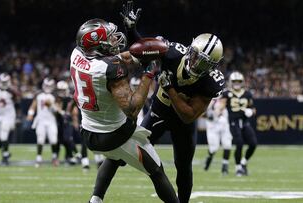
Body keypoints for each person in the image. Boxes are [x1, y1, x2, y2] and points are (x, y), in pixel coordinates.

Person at [94, 1, 226, 202]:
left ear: (213, 66)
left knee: (183, 167)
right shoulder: (171, 52)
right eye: (195, 56)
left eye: (203, 63)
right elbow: (140, 51)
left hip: (183, 123)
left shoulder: (211, 81)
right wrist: (131, 29)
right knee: (118, 151)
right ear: (190, 49)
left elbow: (188, 115)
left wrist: (170, 87)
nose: (195, 63)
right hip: (158, 112)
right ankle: (96, 198)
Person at [71, 18, 178, 202]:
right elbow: (133, 109)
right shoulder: (110, 68)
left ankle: (95, 200)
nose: (115, 41)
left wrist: (141, 53)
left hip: (89, 130)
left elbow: (115, 59)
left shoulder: (77, 55)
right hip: (115, 134)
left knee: (114, 157)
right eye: (110, 39)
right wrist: (148, 73)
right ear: (97, 45)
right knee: (156, 170)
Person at [221, 71, 257, 176]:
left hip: (245, 122)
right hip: (233, 122)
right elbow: (221, 105)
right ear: (231, 82)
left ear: (242, 82)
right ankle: (238, 168)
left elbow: (253, 109)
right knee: (239, 144)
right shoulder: (227, 93)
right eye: (234, 81)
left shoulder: (247, 94)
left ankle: (243, 163)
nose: (236, 83)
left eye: (239, 81)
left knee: (253, 144)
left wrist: (251, 112)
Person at [27, 78, 60, 167]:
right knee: (40, 140)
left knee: (53, 140)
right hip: (41, 120)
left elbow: (58, 110)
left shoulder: (55, 95)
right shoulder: (39, 95)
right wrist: (30, 114)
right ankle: (38, 158)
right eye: (46, 85)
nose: (47, 87)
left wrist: (51, 105)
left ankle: (54, 157)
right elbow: (33, 105)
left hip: (51, 120)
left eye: (49, 86)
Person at [203, 98, 232, 175]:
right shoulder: (208, 97)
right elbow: (202, 113)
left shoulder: (225, 95)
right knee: (213, 148)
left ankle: (225, 167)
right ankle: (209, 158)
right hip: (212, 125)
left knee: (227, 145)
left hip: (223, 123)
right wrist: (209, 115)